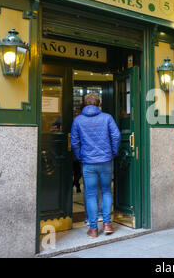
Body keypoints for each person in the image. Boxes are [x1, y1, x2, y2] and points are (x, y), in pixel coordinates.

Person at [71, 93, 121, 238]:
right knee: (106, 191)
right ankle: (107, 224)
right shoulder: (107, 118)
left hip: (88, 163)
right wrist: (112, 152)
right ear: (98, 104)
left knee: (91, 194)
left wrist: (81, 156)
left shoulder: (78, 120)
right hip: (105, 161)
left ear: (84, 104)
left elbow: (74, 141)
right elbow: (116, 136)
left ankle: (93, 229)